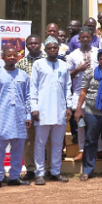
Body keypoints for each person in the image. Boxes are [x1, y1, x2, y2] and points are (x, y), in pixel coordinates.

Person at [0, 46, 32, 190]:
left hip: (19, 119)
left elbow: (28, 97)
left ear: (18, 57)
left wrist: (28, 115)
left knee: (18, 151)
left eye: (14, 55)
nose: (12, 57)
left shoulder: (23, 76)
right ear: (3, 57)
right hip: (1, 119)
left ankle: (14, 177)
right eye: (9, 55)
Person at [30, 36, 72, 185]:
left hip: (60, 110)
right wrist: (34, 108)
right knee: (40, 143)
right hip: (42, 110)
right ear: (45, 50)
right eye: (49, 48)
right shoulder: (38, 64)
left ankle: (55, 172)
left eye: (55, 48)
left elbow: (68, 87)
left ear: (58, 49)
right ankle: (40, 173)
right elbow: (33, 87)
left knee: (57, 143)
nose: (52, 50)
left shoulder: (63, 65)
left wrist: (69, 106)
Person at [75, 48, 102, 181]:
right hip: (91, 112)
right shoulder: (90, 72)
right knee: (90, 141)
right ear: (98, 60)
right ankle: (87, 170)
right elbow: (83, 91)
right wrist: (78, 109)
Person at [16, 34, 48, 180]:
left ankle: (46, 168)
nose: (33, 45)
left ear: (40, 44)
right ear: (27, 46)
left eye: (36, 43)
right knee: (29, 139)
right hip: (28, 106)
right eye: (30, 44)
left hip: (46, 105)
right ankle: (30, 169)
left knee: (46, 138)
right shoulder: (21, 64)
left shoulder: (48, 60)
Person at [67, 27, 99, 162]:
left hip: (96, 92)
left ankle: (100, 150)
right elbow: (67, 76)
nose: (85, 39)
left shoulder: (98, 52)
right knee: (80, 124)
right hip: (78, 92)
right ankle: (81, 150)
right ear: (79, 39)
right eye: (83, 37)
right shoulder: (73, 55)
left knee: (97, 123)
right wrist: (78, 69)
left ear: (91, 38)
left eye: (88, 37)